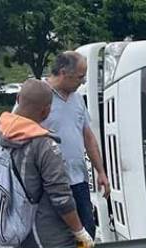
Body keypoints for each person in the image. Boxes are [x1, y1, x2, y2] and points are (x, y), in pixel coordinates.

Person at [0, 79, 95, 248]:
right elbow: (61, 197)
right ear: (46, 111)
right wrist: (80, 232)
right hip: (49, 235)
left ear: (18, 99)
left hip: (17, 226)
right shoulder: (44, 144)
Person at [44, 51, 110, 238]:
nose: (83, 81)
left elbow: (88, 137)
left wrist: (101, 171)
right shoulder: (39, 94)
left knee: (86, 232)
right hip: (52, 182)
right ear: (64, 72)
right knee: (61, 236)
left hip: (79, 180)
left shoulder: (77, 98)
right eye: (80, 76)